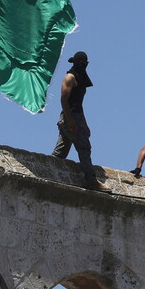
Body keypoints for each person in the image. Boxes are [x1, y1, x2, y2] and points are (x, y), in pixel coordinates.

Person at [51, 51, 109, 192]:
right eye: (80, 62)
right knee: (84, 147)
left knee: (61, 152)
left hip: (76, 116)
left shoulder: (80, 77)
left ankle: (50, 171)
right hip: (70, 116)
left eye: (85, 63)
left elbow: (78, 104)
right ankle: (91, 180)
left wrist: (84, 124)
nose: (83, 65)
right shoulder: (70, 77)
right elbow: (64, 100)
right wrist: (70, 121)